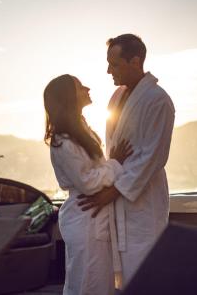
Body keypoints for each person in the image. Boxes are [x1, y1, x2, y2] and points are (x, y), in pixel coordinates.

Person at [78, 34, 175, 286]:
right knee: (122, 278)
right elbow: (114, 150)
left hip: (143, 201)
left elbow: (152, 156)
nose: (108, 70)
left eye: (115, 64)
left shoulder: (158, 100)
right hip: (118, 201)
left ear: (135, 61)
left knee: (146, 272)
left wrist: (114, 191)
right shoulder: (116, 97)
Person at [44, 74, 133, 295]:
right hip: (86, 217)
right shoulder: (63, 142)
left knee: (97, 281)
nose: (87, 88)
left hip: (93, 217)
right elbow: (88, 182)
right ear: (68, 97)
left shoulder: (80, 130)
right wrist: (116, 163)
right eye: (80, 86)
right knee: (86, 282)